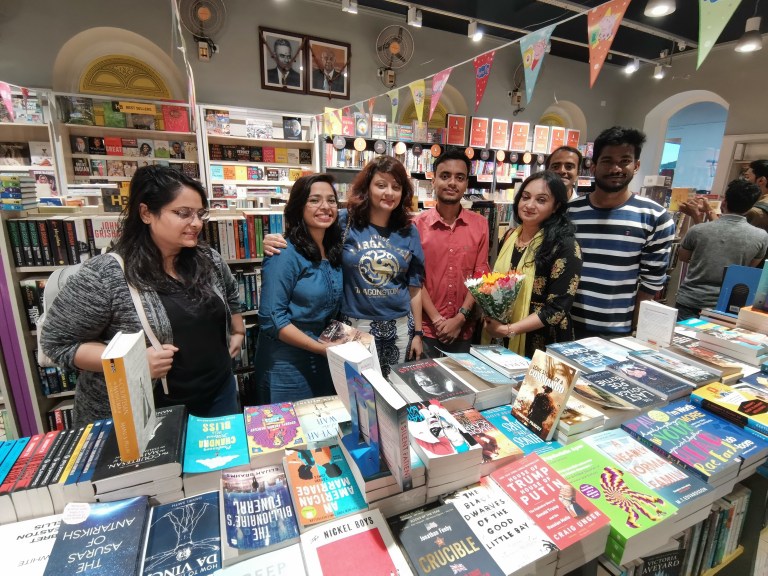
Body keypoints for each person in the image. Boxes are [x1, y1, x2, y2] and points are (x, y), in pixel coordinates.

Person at [41, 166, 245, 427]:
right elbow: (57, 343)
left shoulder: (208, 259)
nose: (196, 223)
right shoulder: (106, 274)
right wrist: (128, 362)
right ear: (146, 213)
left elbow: (229, 294)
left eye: (200, 213)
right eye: (182, 213)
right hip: (147, 413)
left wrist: (237, 332)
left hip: (218, 396)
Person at [264, 156, 425, 377]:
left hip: (399, 328)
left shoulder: (409, 230)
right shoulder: (344, 220)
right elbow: (308, 223)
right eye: (381, 185)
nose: (389, 192)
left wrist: (418, 332)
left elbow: (414, 286)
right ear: (367, 188)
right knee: (356, 393)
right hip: (353, 326)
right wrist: (274, 238)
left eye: (396, 187)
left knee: (394, 392)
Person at [567, 126, 675, 338]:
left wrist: (636, 330)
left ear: (636, 165)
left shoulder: (655, 217)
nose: (616, 168)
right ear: (594, 166)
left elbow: (650, 284)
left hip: (617, 332)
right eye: (607, 161)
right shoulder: (569, 212)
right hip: (564, 324)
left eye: (624, 160)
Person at [254, 174, 343, 403]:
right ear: (298, 206)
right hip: (287, 363)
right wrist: (322, 350)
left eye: (331, 200)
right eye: (314, 200)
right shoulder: (283, 253)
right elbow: (272, 319)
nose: (325, 206)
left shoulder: (333, 250)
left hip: (323, 357)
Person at [483, 171, 582, 358]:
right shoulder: (510, 236)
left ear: (556, 206)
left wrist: (508, 330)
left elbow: (557, 309)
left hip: (541, 341)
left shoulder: (565, 246)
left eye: (541, 200)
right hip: (501, 331)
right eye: (525, 197)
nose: (529, 205)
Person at [414, 149, 489, 356]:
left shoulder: (480, 224)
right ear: (433, 181)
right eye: (445, 176)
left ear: (466, 183)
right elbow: (415, 278)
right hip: (427, 328)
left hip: (463, 329)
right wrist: (437, 320)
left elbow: (480, 274)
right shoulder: (416, 225)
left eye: (460, 177)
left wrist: (460, 317)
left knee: (463, 386)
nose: (452, 183)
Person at [674, 179, 768, 320]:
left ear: (724, 202)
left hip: (691, 300)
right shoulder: (761, 236)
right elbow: (749, 266)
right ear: (750, 208)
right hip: (728, 304)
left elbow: (683, 257)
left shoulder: (697, 230)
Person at [744, 160, 768, 232]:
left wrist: (709, 210)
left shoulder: (756, 212)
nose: (745, 181)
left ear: (761, 180)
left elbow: (731, 237)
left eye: (747, 177)